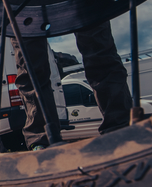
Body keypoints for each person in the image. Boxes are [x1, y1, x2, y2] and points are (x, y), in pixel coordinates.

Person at [12, 20, 133, 149]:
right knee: (30, 70)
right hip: (23, 8)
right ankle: (41, 142)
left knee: (100, 54)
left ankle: (123, 130)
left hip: (82, 4)